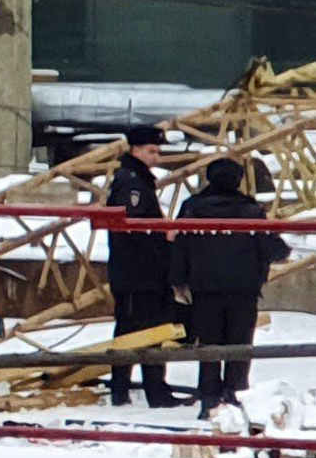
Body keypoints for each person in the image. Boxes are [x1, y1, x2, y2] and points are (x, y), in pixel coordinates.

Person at [173, 156, 288, 414]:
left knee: (210, 346)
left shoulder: (192, 208)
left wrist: (178, 282)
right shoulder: (250, 211)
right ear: (238, 180)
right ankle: (235, 396)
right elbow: (273, 249)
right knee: (239, 346)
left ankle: (209, 400)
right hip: (243, 291)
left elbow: (179, 248)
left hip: (204, 290)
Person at [102, 135, 180, 408]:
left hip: (137, 271)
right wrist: (163, 236)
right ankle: (149, 391)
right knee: (140, 330)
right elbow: (130, 225)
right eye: (151, 150)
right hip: (138, 272)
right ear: (135, 149)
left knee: (138, 329)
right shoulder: (133, 183)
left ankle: (130, 389)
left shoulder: (135, 179)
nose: (156, 157)